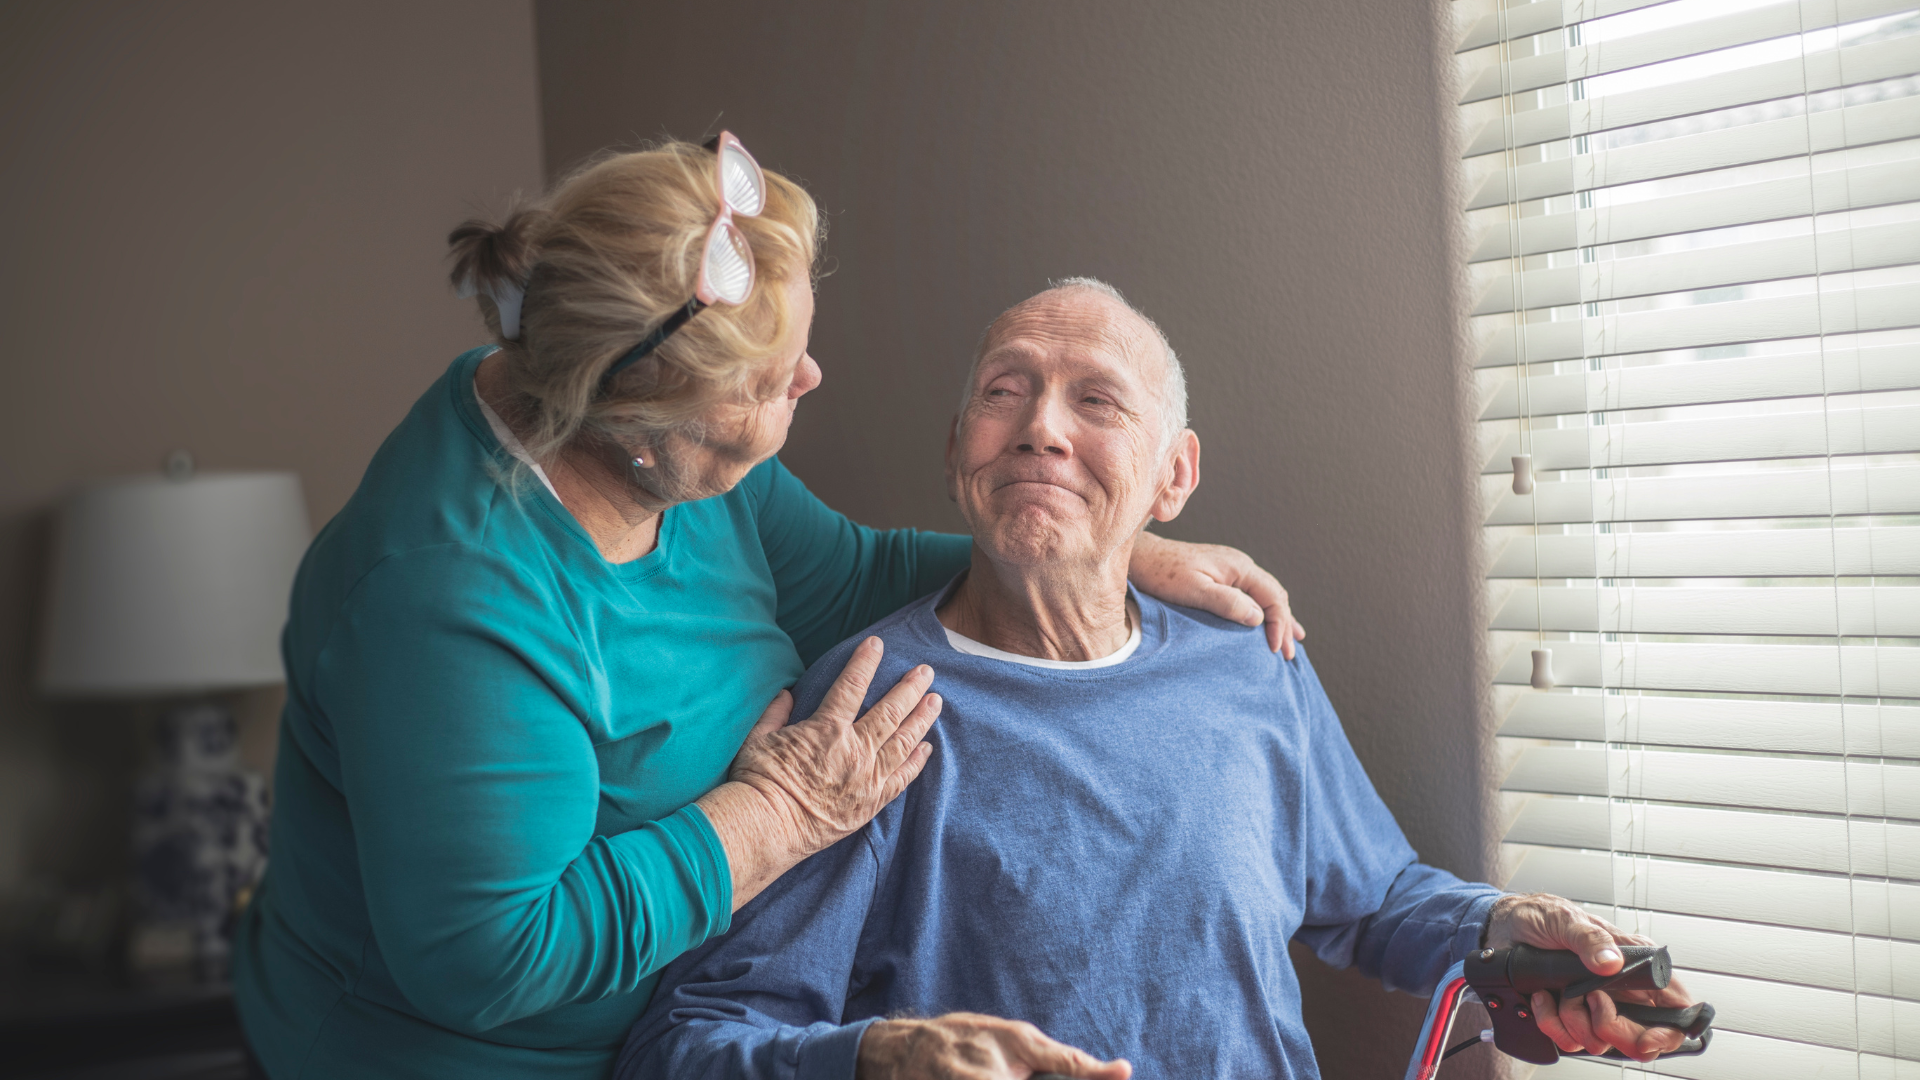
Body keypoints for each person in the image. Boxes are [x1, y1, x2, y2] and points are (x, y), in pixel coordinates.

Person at [230, 137, 1305, 1080]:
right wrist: (774, 819)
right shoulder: (444, 598)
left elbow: (851, 572)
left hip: (685, 1032)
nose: (809, 377)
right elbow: (497, 953)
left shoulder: (652, 444)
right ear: (636, 418)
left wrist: (1108, 546)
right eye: (767, 379)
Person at [619, 279, 1698, 1080]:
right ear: (960, 450)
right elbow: (690, 1045)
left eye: (1097, 400)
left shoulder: (1252, 665)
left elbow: (1373, 897)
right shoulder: (863, 717)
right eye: (1008, 392)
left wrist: (1511, 931)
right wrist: (878, 1056)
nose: (1042, 427)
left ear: (1174, 476)